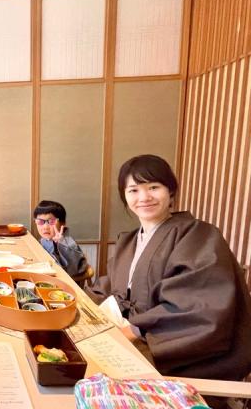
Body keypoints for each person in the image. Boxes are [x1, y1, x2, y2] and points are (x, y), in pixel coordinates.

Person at [87, 154, 251, 382]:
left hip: (171, 355)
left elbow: (199, 305)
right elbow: (111, 287)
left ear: (170, 190)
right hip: (127, 337)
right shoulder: (129, 240)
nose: (144, 197)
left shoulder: (198, 235)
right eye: (133, 190)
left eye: (153, 187)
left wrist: (133, 331)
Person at [33, 200, 88, 277]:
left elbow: (74, 270)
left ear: (63, 223)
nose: (45, 227)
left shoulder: (68, 243)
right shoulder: (44, 240)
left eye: (51, 221)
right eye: (40, 222)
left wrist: (61, 244)